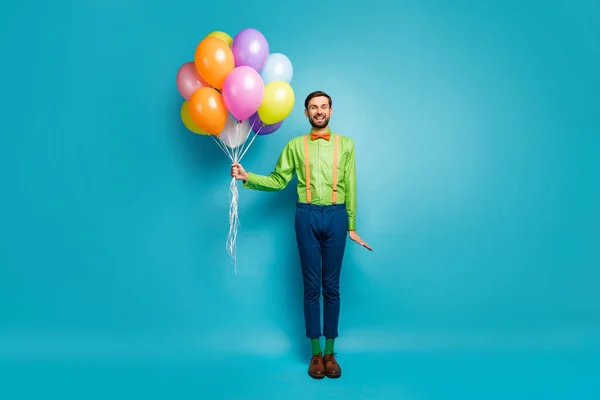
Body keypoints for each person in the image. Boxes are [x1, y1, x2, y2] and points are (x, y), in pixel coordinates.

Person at [230, 90, 371, 379]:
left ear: (331, 111)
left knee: (331, 287)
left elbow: (351, 185)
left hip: (336, 215)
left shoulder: (347, 145)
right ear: (306, 114)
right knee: (311, 287)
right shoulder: (295, 146)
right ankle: (315, 354)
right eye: (313, 107)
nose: (319, 111)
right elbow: (278, 180)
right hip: (305, 216)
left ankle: (331, 352)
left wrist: (352, 225)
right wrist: (249, 177)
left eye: (323, 106)